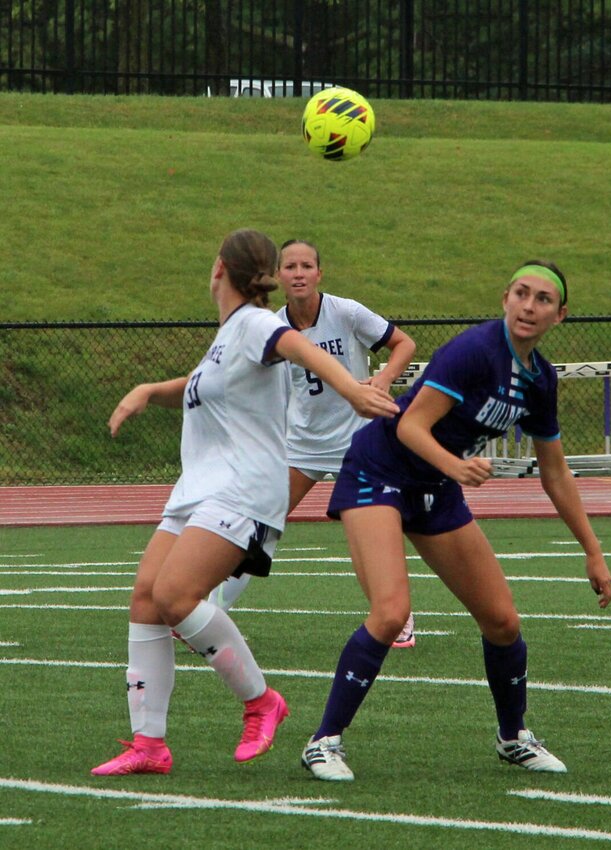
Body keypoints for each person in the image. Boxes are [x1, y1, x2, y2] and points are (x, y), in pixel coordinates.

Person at [91, 228, 398, 776]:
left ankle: (262, 703)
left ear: (218, 270)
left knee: (176, 596)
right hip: (198, 488)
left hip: (240, 487)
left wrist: (353, 389)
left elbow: (295, 347)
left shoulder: (258, 324)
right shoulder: (230, 335)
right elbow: (199, 382)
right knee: (145, 599)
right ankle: (149, 746)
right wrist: (146, 392)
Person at [299, 260, 611, 781]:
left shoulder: (540, 381)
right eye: (521, 293)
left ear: (561, 316)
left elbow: (555, 473)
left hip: (436, 488)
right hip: (380, 470)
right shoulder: (475, 350)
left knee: (502, 621)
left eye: (542, 300)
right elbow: (409, 426)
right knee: (391, 611)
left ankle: (513, 738)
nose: (529, 306)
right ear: (505, 298)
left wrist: (592, 548)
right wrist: (457, 467)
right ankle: (323, 742)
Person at [207, 239, 419, 648]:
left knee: (378, 531)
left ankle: (400, 616)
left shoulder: (346, 311)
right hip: (300, 444)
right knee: (260, 523)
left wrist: (384, 379)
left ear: (319, 273)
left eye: (307, 265)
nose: (299, 273)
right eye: (290, 266)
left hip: (357, 442)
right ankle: (210, 615)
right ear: (277, 277)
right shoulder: (271, 326)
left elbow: (404, 344)